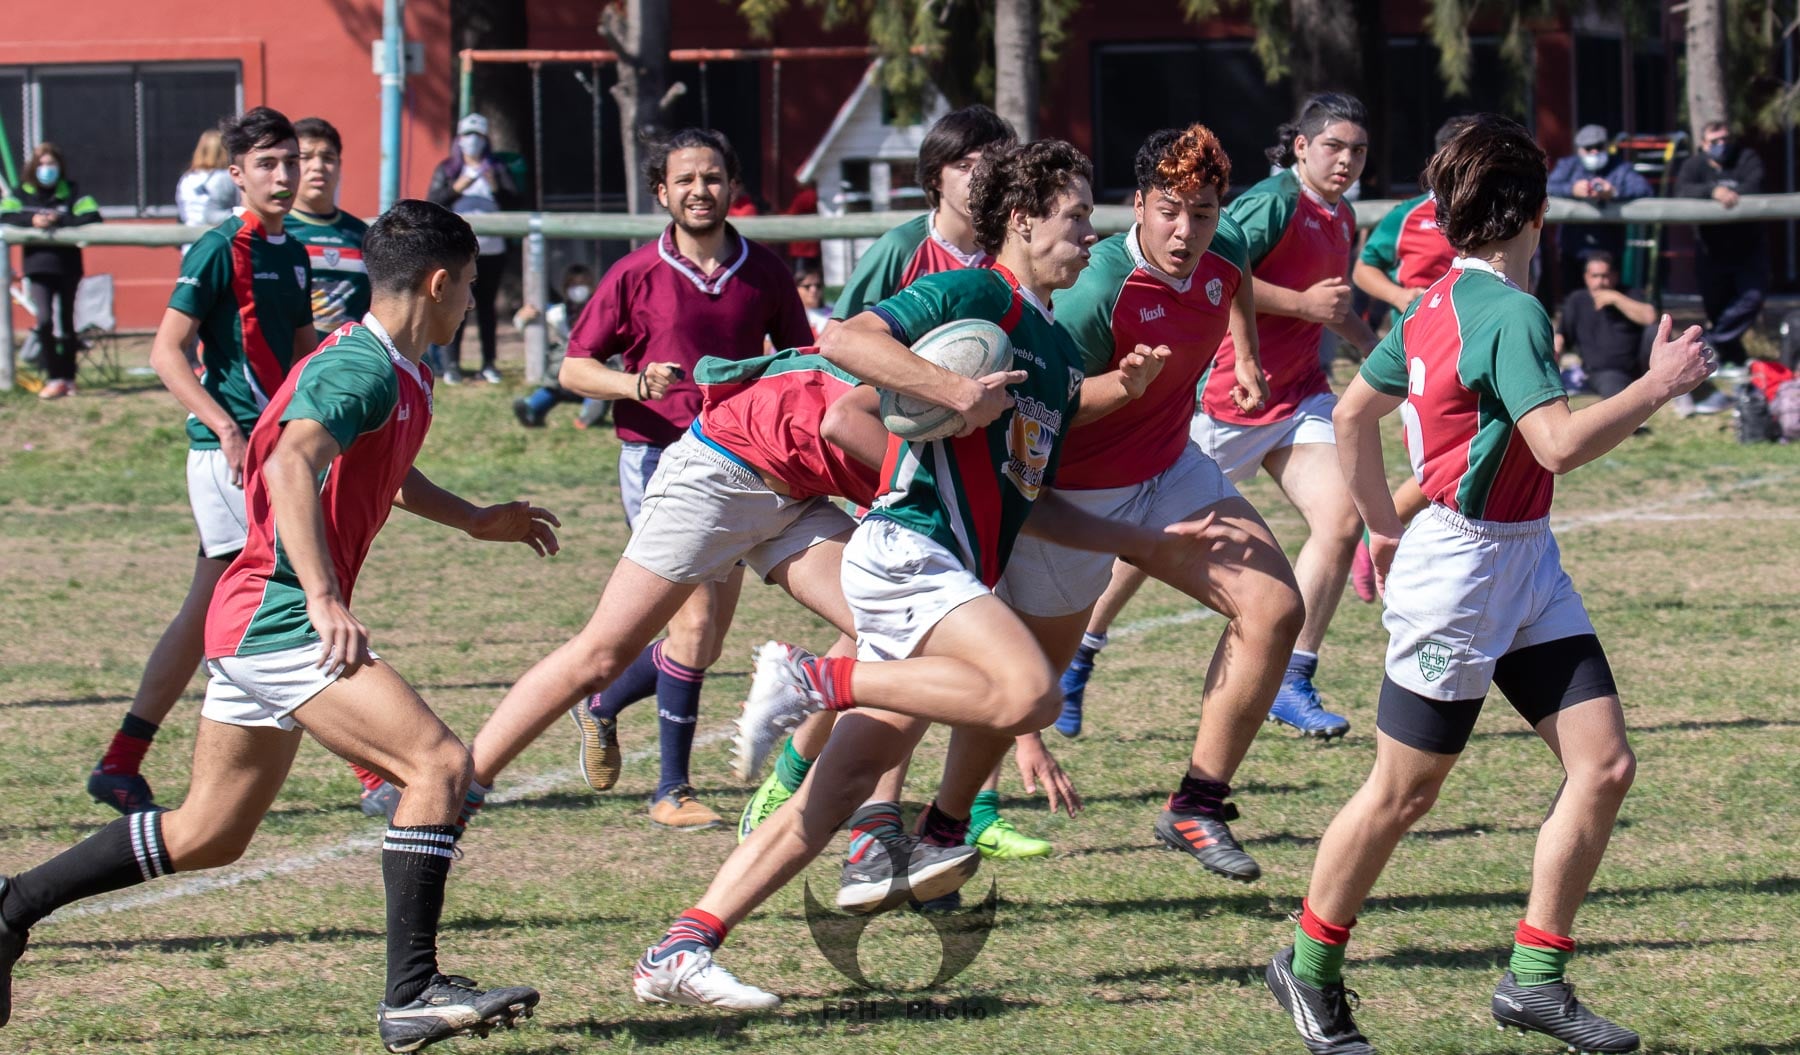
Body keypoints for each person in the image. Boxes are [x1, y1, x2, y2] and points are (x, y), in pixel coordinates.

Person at [629, 139, 1223, 1011]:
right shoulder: (979, 292)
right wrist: (950, 390)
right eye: (1073, 222)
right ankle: (810, 676)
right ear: (1021, 222)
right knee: (1027, 690)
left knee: (832, 794)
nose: (1087, 242)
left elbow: (1034, 495)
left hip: (943, 570)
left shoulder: (1053, 351)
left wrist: (1138, 533)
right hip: (909, 550)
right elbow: (848, 341)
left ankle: (680, 947)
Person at [1, 198, 559, 1052]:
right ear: (440, 282)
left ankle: (12, 907)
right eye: (473, 285)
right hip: (279, 616)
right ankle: (411, 991)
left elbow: (388, 467)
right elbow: (297, 458)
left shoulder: (400, 370)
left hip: (255, 616)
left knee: (208, 832)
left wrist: (478, 517)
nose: (472, 300)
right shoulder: (359, 367)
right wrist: (324, 593)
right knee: (439, 765)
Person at [1265, 113, 1714, 1055]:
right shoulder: (1509, 313)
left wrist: (1384, 527)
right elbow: (1555, 442)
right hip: (1464, 576)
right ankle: (1306, 964)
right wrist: (1657, 383)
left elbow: (1355, 414)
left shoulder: (1435, 301)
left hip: (1520, 559)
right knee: (1401, 792)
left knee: (1603, 764)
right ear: (1535, 211)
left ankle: (1535, 980)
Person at [995, 124, 1304, 886]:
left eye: (1201, 212)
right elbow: (1038, 414)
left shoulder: (1223, 249)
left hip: (1170, 470)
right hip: (1071, 495)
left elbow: (1230, 288)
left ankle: (1197, 804)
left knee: (1275, 609)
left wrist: (1249, 361)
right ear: (1136, 205)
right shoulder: (1095, 289)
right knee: (1021, 689)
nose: (1185, 230)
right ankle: (935, 825)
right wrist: (1120, 389)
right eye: (1169, 209)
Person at [1070, 93, 1378, 742]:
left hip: (1294, 396)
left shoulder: (1336, 214)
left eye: (1358, 149)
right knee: (1146, 540)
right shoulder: (1272, 203)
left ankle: (1292, 675)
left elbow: (1230, 257)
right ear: (1301, 146)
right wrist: (1255, 345)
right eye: (1333, 146)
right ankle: (1082, 648)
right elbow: (1243, 263)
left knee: (1339, 519)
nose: (1346, 160)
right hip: (1219, 412)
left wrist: (1252, 353)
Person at [551, 128, 813, 831]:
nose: (701, 190)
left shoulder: (764, 271)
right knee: (693, 620)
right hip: (659, 459)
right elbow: (573, 368)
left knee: (703, 638)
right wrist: (634, 382)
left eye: (714, 176)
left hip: (739, 462)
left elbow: (797, 356)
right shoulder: (635, 273)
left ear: (732, 186)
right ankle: (671, 788)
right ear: (661, 192)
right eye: (685, 180)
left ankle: (602, 703)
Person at [82, 108, 317, 815]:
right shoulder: (220, 248)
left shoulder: (294, 251)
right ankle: (373, 769)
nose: (284, 175)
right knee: (295, 596)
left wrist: (323, 421)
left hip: (279, 452)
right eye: (268, 164)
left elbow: (302, 353)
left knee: (217, 607)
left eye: (290, 162)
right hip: (232, 457)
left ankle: (123, 759)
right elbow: (165, 350)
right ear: (237, 175)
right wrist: (225, 427)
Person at [1345, 115, 1469, 603]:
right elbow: (1364, 268)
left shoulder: (1493, 217)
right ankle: (1382, 536)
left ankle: (1388, 535)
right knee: (1441, 465)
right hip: (1421, 353)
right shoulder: (1409, 217)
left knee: (1453, 464)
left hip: (1474, 352)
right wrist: (1400, 295)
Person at [0, 143, 102, 400]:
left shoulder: (71, 191)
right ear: (34, 168)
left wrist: (60, 220)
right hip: (38, 266)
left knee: (67, 323)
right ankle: (54, 376)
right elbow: (6, 215)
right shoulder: (21, 193)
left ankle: (69, 378)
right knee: (44, 321)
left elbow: (92, 216)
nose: (48, 170)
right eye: (43, 164)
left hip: (68, 266)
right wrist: (32, 221)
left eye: (52, 164)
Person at [428, 112, 519, 384]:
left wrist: (495, 185)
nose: (472, 141)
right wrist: (457, 187)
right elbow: (433, 201)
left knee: (486, 307)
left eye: (478, 136)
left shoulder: (497, 169)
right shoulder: (448, 169)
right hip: (459, 251)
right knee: (457, 305)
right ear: (459, 139)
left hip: (493, 249)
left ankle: (489, 363)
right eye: (468, 135)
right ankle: (452, 365)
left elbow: (516, 203)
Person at [1676, 120, 1767, 371]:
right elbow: (1682, 190)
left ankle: (1711, 342)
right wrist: (1713, 191)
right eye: (1715, 141)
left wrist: (1730, 193)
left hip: (1748, 247)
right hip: (1710, 248)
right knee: (1716, 307)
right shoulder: (1694, 165)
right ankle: (1732, 359)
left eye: (1726, 139)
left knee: (1752, 298)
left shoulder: (1746, 158)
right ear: (1703, 145)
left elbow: (1756, 184)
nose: (1722, 145)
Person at [1547, 124, 1654, 297]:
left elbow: (1644, 189)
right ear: (1579, 150)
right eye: (1589, 148)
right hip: (1574, 248)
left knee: (1610, 301)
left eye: (1599, 147)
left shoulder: (1620, 167)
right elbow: (1547, 186)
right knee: (1575, 299)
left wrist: (1613, 192)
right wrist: (1572, 189)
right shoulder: (1568, 166)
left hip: (1609, 248)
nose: (1594, 153)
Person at [286, 117, 372, 335]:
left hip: (348, 361)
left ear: (339, 165)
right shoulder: (276, 229)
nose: (318, 167)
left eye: (328, 158)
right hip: (292, 365)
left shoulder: (361, 234)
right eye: (306, 157)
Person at [511, 263, 609, 428]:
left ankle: (587, 417)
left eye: (583, 284)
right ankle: (531, 411)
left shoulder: (603, 311)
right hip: (564, 376)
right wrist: (521, 317)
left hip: (593, 374)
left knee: (597, 395)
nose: (578, 289)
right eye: (573, 285)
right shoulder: (557, 313)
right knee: (551, 388)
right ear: (565, 288)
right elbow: (526, 326)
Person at [1555, 251, 1657, 398]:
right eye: (1595, 276)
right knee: (1616, 392)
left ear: (1615, 276)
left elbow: (1650, 317)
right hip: (1604, 372)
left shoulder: (1628, 294)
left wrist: (1616, 299)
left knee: (1655, 330)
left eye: (1605, 276)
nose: (1600, 282)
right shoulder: (1578, 300)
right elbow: (1561, 336)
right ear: (1586, 278)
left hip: (1638, 366)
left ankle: (1679, 387)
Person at [176, 130, 240, 244]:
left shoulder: (186, 178)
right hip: (217, 241)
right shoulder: (226, 177)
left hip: (189, 242)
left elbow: (182, 213)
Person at [795, 260, 831, 337]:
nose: (814, 290)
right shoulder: (788, 316)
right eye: (807, 286)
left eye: (818, 285)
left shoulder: (834, 315)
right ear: (796, 289)